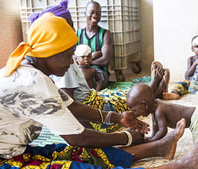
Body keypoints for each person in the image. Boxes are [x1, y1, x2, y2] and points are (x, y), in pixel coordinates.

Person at [0, 13, 198, 169]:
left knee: (71, 153)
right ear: (49, 52)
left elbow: (72, 106)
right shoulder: (31, 81)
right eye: (68, 54)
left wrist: (118, 118)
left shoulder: (31, 71)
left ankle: (158, 149)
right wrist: (126, 137)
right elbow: (79, 137)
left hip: (15, 154)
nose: (72, 61)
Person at [29, 0, 169, 133]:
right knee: (128, 101)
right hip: (91, 105)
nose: (72, 30)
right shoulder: (62, 63)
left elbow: (105, 60)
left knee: (119, 95)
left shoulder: (99, 36)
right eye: (69, 26)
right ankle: (152, 90)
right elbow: (72, 107)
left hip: (93, 96)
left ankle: (153, 90)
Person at [127, 83, 198, 148]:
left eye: (134, 110)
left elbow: (162, 131)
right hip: (197, 114)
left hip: (195, 117)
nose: (134, 113)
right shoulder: (155, 107)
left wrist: (149, 141)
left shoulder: (158, 110)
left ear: (144, 105)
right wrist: (151, 138)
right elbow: (156, 128)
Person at [77, 1, 113, 90]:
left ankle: (90, 98)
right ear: (85, 13)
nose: (95, 15)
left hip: (99, 72)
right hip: (79, 70)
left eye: (98, 13)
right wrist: (92, 56)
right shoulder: (77, 34)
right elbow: (72, 57)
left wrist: (84, 60)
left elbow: (105, 61)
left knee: (86, 77)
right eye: (92, 12)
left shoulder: (105, 34)